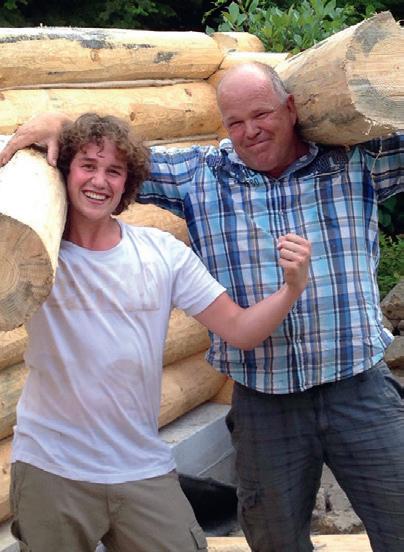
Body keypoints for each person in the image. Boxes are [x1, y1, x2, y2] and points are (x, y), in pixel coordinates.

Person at [1, 62, 403, 552]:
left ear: (292, 107)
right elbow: (112, 156)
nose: (250, 130)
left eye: (261, 114)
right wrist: (58, 124)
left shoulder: (355, 160)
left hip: (358, 387)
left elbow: (109, 162)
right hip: (264, 401)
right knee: (275, 541)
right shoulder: (201, 174)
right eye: (235, 122)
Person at [4, 111, 310, 552]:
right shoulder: (36, 253)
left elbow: (241, 330)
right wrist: (50, 125)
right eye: (87, 165)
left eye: (114, 171)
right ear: (65, 171)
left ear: (128, 184)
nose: (99, 181)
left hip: (140, 467)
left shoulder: (162, 254)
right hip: (52, 468)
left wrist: (290, 289)